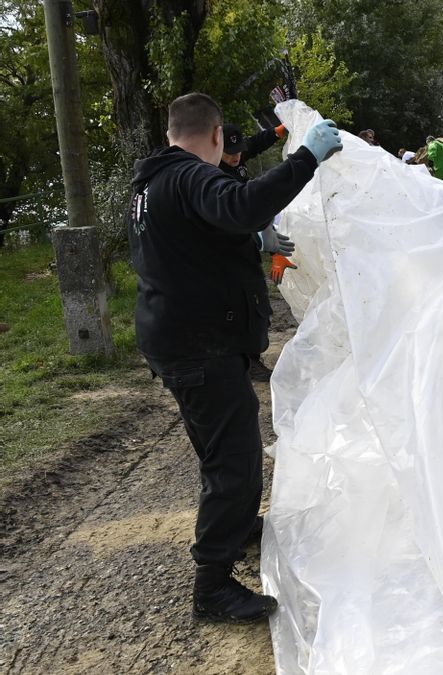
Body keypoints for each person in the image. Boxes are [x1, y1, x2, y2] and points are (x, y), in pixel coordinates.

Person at [128, 92, 343, 625]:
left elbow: (192, 241)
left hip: (174, 338)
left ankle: (237, 523)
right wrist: (306, 158)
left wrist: (250, 246)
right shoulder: (190, 177)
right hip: (200, 345)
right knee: (237, 460)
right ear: (218, 135)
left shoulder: (151, 185)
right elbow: (241, 206)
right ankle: (213, 586)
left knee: (217, 449)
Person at [218, 122, 293, 383]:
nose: (236, 156)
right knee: (240, 303)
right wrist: (259, 239)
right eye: (230, 152)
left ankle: (250, 356)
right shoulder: (211, 174)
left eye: (238, 150)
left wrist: (277, 132)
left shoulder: (237, 153)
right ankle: (246, 360)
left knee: (255, 299)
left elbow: (255, 143)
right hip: (229, 246)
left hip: (247, 240)